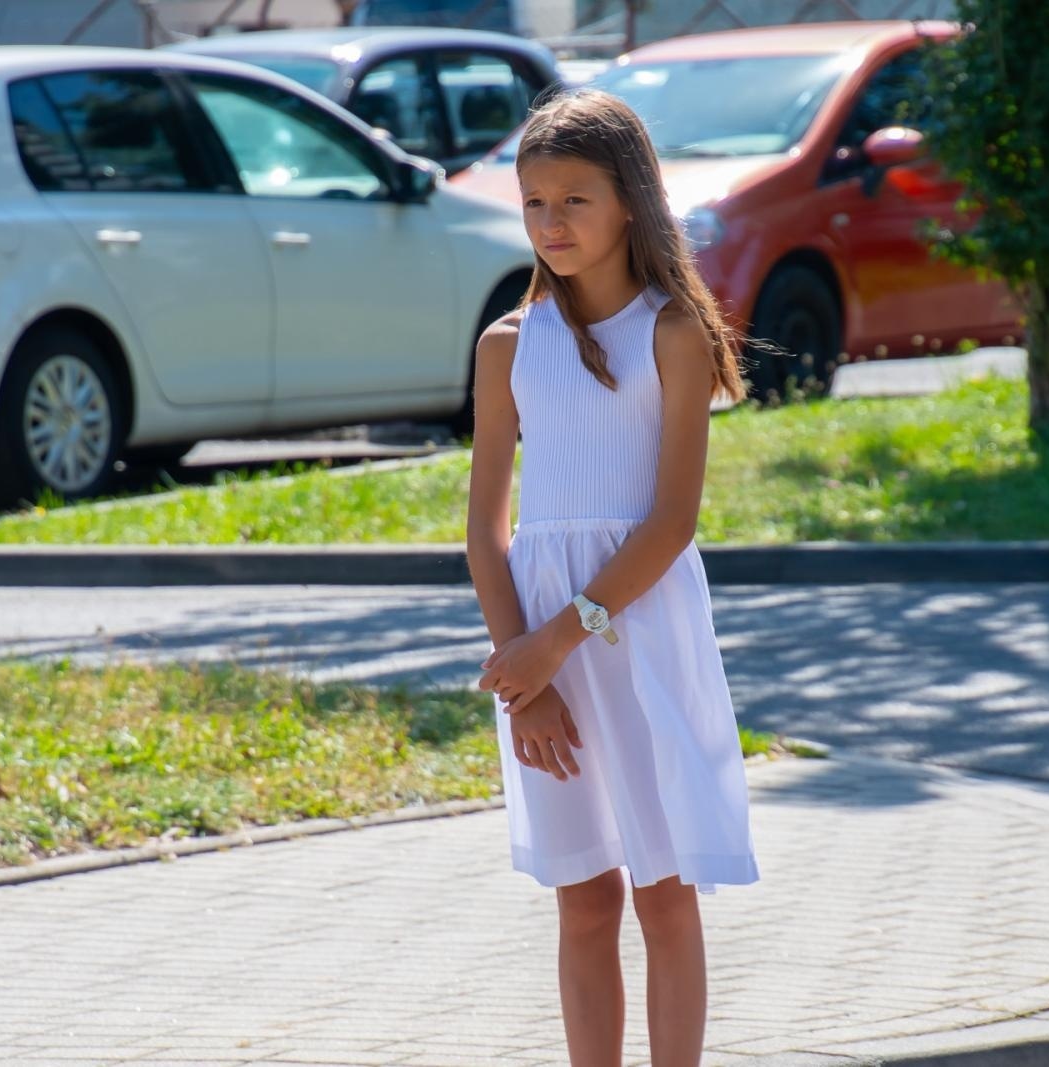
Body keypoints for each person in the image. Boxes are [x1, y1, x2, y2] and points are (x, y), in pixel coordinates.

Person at [464, 88, 761, 1067]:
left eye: (574, 201)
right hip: (544, 655)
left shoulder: (671, 331)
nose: (551, 224)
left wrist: (558, 636)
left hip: (641, 636)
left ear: (630, 200)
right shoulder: (507, 346)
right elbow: (485, 530)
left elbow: (672, 521)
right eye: (534, 203)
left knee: (661, 891)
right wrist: (530, 677)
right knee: (583, 895)